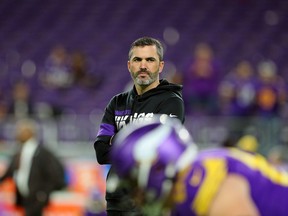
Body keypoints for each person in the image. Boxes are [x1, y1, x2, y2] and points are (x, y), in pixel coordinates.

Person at [110, 114, 288, 216]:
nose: (136, 196)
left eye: (135, 183)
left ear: (157, 167)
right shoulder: (184, 192)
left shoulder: (202, 182)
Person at [94, 37, 185, 216]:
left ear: (160, 66)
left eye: (150, 60)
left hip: (151, 201)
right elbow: (101, 151)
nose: (143, 65)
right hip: (117, 200)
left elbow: (161, 153)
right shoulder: (117, 102)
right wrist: (139, 142)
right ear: (129, 65)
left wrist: (118, 140)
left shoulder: (171, 102)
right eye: (138, 60)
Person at [0, 118, 67, 216]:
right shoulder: (18, 152)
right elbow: (9, 172)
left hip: (37, 199)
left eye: (22, 130)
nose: (18, 133)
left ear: (31, 132)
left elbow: (55, 174)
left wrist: (43, 193)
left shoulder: (42, 153)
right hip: (24, 199)